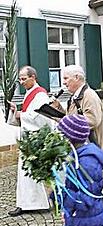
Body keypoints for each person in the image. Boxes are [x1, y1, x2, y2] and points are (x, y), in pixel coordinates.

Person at [46, 65, 103, 226]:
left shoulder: (89, 95)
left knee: (85, 193)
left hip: (88, 148)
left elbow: (93, 120)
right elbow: (74, 118)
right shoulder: (75, 96)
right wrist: (59, 111)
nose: (63, 82)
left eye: (66, 79)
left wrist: (66, 121)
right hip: (77, 149)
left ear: (78, 78)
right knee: (79, 190)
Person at [57, 114, 103, 226]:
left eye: (62, 135)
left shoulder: (87, 163)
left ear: (71, 138)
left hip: (87, 221)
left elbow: (85, 198)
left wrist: (59, 199)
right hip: (84, 220)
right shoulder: (76, 157)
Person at [7, 66, 54, 217]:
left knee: (33, 171)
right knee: (25, 173)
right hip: (28, 137)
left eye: (24, 79)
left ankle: (40, 203)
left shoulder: (40, 94)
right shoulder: (29, 93)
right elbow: (29, 113)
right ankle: (27, 203)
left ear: (33, 77)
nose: (21, 82)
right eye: (20, 79)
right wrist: (16, 111)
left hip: (35, 137)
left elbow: (42, 117)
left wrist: (22, 115)